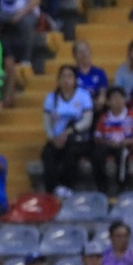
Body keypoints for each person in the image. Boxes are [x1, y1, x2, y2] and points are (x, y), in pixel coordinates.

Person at [41, 65, 95, 198]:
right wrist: (52, 137)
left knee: (71, 151)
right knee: (47, 153)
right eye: (63, 77)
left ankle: (67, 186)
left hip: (77, 136)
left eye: (70, 76)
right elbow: (47, 122)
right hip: (57, 137)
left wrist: (70, 131)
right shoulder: (51, 98)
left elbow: (87, 120)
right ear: (58, 80)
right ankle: (52, 189)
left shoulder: (83, 95)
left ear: (75, 79)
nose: (66, 80)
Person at [93, 86, 133, 195]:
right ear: (108, 102)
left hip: (125, 145)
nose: (118, 101)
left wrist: (131, 140)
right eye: (114, 98)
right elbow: (97, 136)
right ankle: (102, 187)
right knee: (97, 155)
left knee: (122, 155)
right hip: (108, 144)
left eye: (120, 98)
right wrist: (108, 143)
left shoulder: (132, 115)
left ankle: (121, 186)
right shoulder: (104, 117)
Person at [0, 0, 39, 67]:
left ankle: (25, 60)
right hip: (3, 13)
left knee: (26, 23)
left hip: (25, 12)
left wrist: (19, 15)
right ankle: (5, 58)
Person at [73, 40, 108, 112]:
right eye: (80, 52)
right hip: (77, 108)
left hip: (96, 109)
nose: (84, 54)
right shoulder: (72, 73)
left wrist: (100, 101)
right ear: (75, 55)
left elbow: (103, 94)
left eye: (86, 50)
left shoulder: (99, 72)